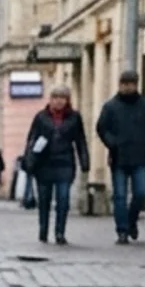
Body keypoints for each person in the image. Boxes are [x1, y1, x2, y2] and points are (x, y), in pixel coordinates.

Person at [96, 68, 145, 244]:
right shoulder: (110, 106)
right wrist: (113, 143)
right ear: (120, 85)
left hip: (140, 157)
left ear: (136, 85)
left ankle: (132, 220)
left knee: (141, 192)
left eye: (131, 84)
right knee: (119, 195)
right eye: (124, 84)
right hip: (119, 158)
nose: (127, 88)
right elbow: (102, 128)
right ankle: (122, 230)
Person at [24, 85, 91, 244]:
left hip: (64, 163)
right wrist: (29, 160)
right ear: (50, 100)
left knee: (63, 199)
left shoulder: (74, 117)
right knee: (44, 200)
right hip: (44, 164)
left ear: (67, 100)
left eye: (62, 98)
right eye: (55, 98)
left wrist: (84, 160)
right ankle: (43, 230)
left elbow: (80, 140)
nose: (58, 101)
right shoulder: (41, 117)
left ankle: (60, 232)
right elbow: (32, 139)